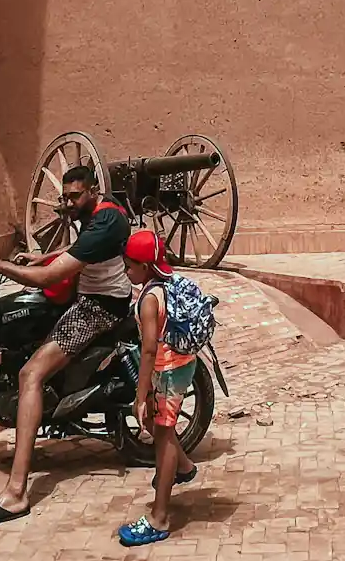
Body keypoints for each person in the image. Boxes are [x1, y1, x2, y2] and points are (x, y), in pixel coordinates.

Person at [0, 163, 132, 529]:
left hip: (98, 307)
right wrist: (42, 255)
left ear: (92, 192)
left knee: (30, 374)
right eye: (64, 197)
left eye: (74, 196)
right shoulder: (98, 215)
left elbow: (49, 277)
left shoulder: (104, 222)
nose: (68, 204)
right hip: (86, 296)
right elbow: (80, 248)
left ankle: (17, 492)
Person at [118, 228, 198, 547]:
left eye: (130, 265)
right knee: (158, 426)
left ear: (145, 267)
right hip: (181, 362)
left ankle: (159, 517)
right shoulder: (163, 284)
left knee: (162, 434)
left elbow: (149, 349)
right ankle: (184, 467)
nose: (126, 270)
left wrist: (142, 394)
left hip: (168, 368)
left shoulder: (150, 298)